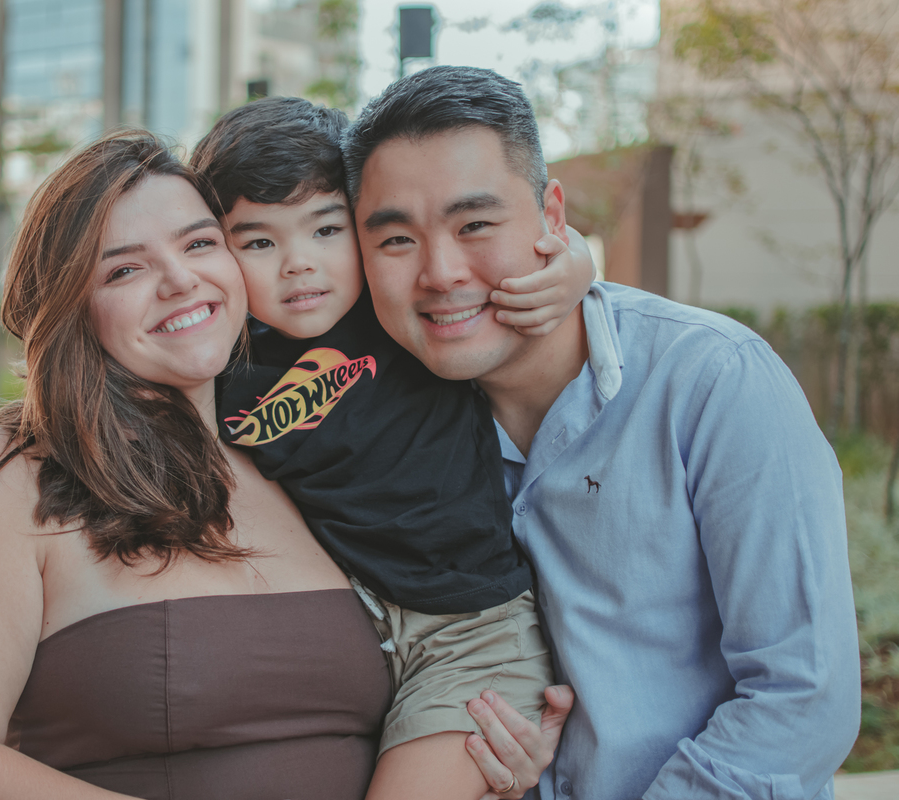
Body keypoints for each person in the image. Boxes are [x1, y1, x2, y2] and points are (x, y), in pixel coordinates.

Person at [344, 65, 861, 800]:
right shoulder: (377, 424)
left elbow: (804, 698)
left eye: (475, 225)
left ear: (553, 216)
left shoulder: (714, 382)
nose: (441, 271)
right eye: (396, 239)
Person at [0, 132, 399, 800]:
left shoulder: (297, 453)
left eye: (199, 243)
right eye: (124, 270)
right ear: (73, 306)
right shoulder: (12, 479)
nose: (181, 279)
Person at [190, 96, 592, 800]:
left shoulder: (400, 315)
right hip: (340, 637)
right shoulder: (220, 365)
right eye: (258, 243)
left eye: (325, 230)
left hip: (470, 636)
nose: (298, 266)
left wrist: (579, 265)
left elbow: (536, 252)